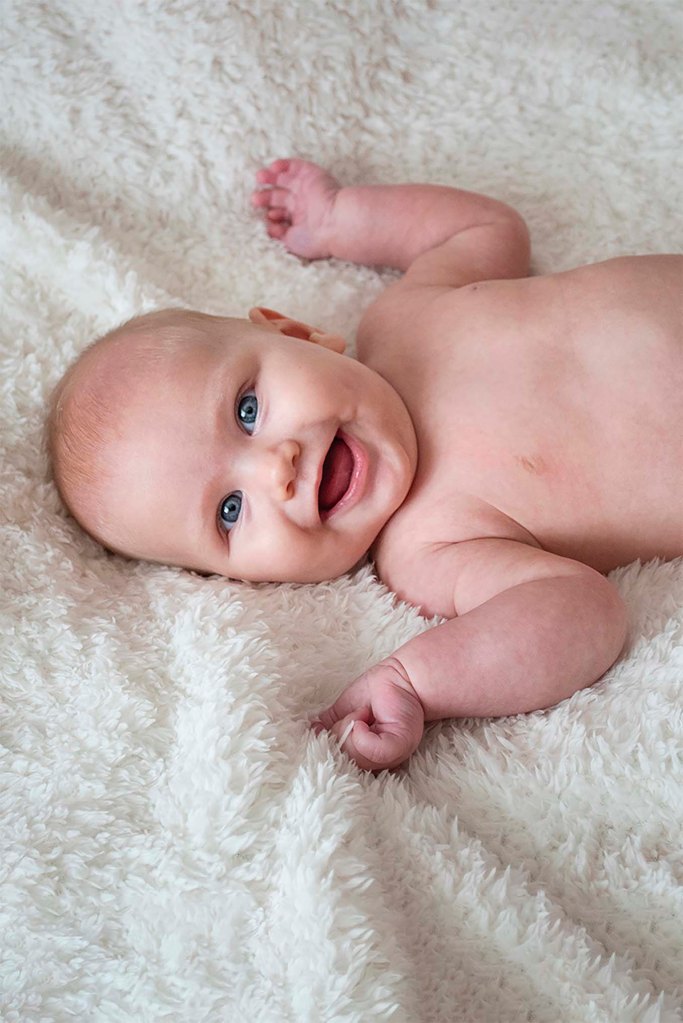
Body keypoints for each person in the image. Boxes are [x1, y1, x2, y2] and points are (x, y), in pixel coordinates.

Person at [48, 158, 683, 771]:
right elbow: (583, 612)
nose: (278, 470)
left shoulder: (406, 318)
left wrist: (339, 218)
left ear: (296, 334)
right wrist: (419, 680)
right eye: (230, 511)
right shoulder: (428, 547)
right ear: (241, 581)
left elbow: (485, 230)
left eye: (246, 411)